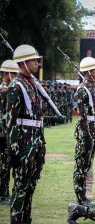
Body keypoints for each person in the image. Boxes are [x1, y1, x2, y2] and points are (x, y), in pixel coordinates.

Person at [6, 44, 45, 223]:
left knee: (31, 186)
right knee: (21, 187)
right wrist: (13, 150)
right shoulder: (16, 85)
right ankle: (16, 220)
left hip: (36, 143)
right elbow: (10, 121)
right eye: (33, 60)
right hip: (23, 145)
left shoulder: (32, 83)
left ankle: (26, 219)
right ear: (23, 62)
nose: (37, 63)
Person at [72, 56, 95, 209]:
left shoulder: (92, 88)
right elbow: (84, 116)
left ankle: (85, 197)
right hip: (86, 132)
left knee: (87, 165)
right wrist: (89, 136)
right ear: (88, 72)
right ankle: (81, 198)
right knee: (82, 166)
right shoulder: (83, 90)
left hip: (94, 130)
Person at [0, 60, 19, 206]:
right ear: (8, 73)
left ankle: (4, 193)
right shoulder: (3, 89)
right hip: (2, 132)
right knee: (4, 164)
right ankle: (3, 195)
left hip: (6, 130)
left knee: (6, 163)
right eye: (14, 73)